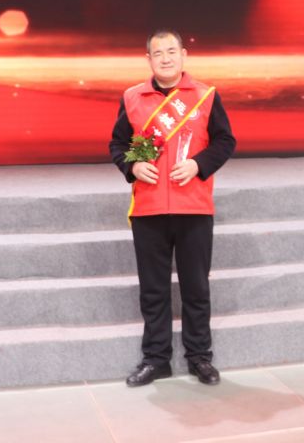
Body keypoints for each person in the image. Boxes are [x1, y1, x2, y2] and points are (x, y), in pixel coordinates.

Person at [109, 29, 236, 387]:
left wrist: (198, 164)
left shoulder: (205, 96)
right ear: (148, 59)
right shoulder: (133, 97)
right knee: (153, 289)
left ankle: (199, 357)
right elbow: (118, 144)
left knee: (196, 287)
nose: (165, 58)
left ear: (183, 55)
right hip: (148, 208)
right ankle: (156, 359)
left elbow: (225, 141)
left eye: (171, 51)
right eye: (158, 53)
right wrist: (133, 166)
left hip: (193, 206)